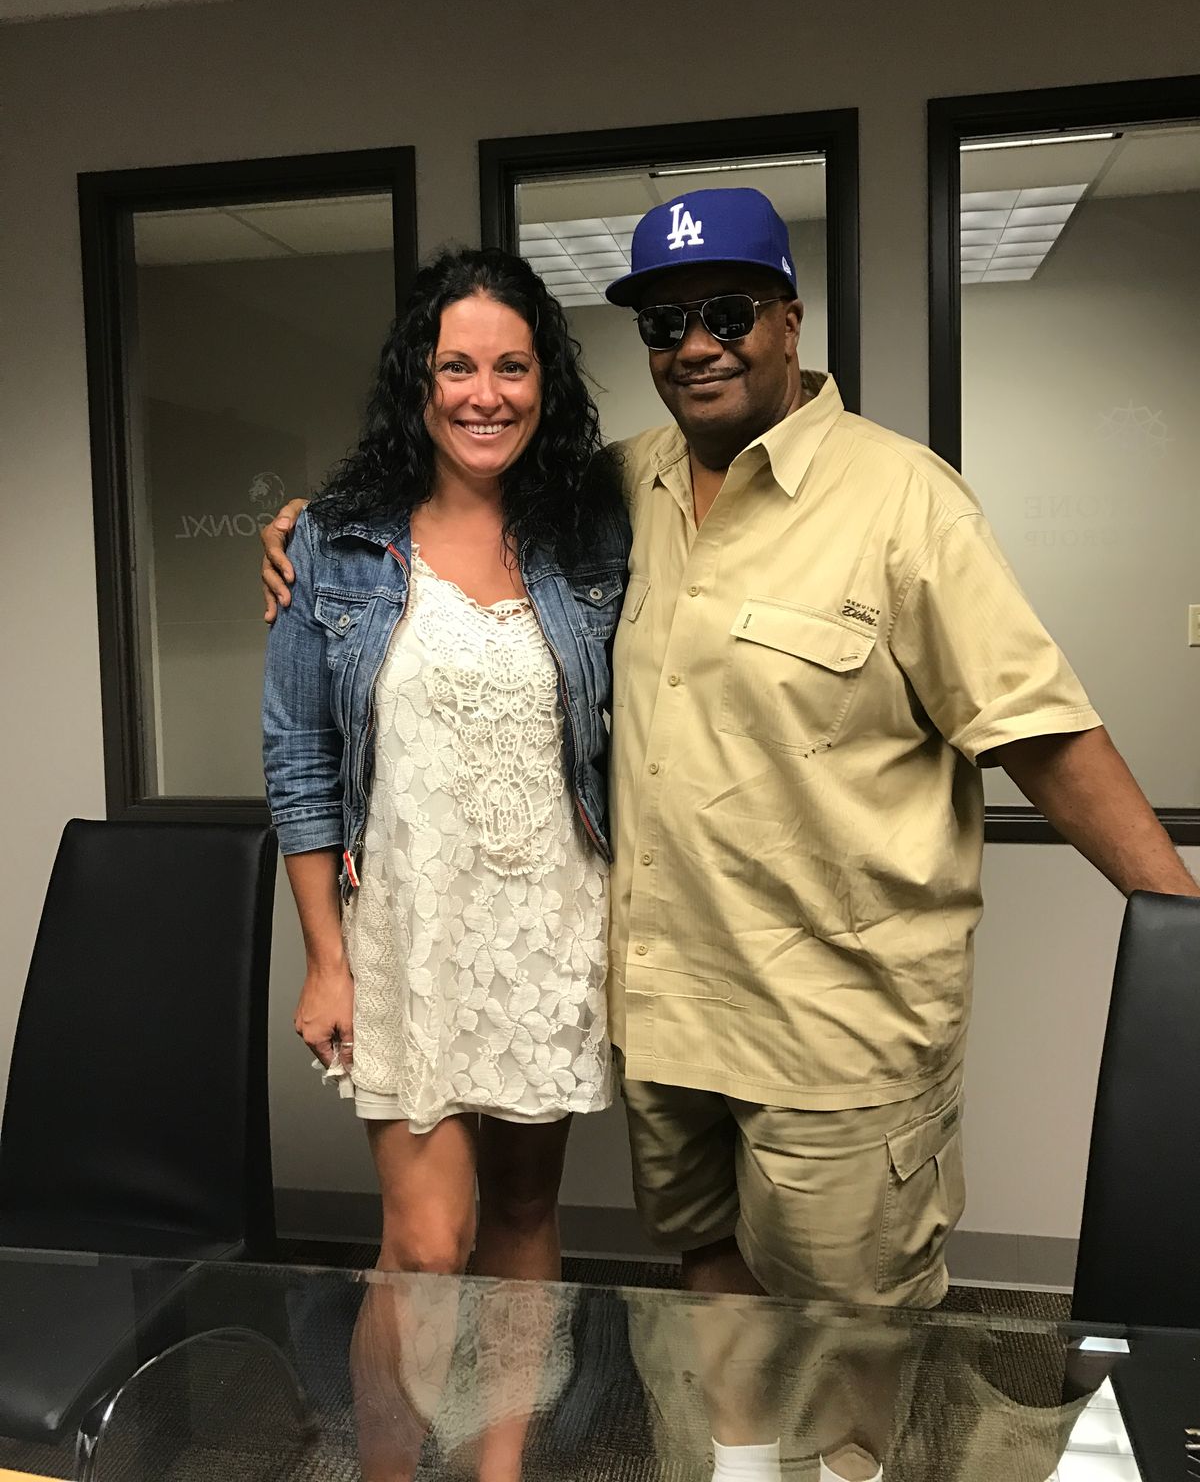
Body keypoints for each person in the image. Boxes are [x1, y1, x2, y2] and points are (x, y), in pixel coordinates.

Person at [262, 193, 1197, 1476]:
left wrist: (1178, 921)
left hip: (832, 1022)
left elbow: (1039, 730)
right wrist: (310, 531)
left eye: (728, 310)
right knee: (700, 1277)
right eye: (666, 321)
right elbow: (443, 510)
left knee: (854, 1331)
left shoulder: (900, 502)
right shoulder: (619, 492)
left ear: (789, 318)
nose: (697, 342)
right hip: (669, 1006)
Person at [262, 245, 628, 1286]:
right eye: (456, 366)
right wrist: (325, 960)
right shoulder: (335, 542)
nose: (485, 395)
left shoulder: (595, 529)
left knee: (524, 1212)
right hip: (408, 932)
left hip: (550, 929)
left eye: (512, 367)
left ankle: (508, 1412)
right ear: (416, 380)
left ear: (545, 383)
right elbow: (299, 759)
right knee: (426, 1248)